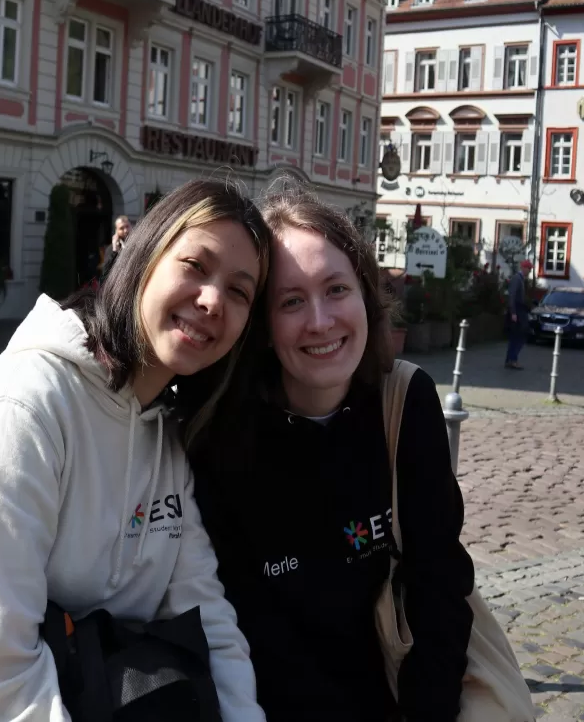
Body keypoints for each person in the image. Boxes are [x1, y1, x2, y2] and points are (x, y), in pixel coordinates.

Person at [0, 179, 270, 722]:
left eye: (239, 291)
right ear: (144, 258)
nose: (213, 300)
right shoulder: (25, 411)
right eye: (194, 264)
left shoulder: (164, 431)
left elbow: (206, 612)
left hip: (104, 683)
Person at [187, 187, 475, 721]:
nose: (319, 322)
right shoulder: (221, 432)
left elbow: (439, 586)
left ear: (365, 296)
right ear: (264, 329)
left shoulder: (405, 403)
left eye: (336, 289)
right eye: (291, 301)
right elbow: (233, 622)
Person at [505, 259, 532, 369]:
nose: (529, 271)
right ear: (524, 268)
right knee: (520, 336)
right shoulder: (517, 279)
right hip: (517, 311)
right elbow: (512, 296)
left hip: (519, 310)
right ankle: (512, 359)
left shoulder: (520, 279)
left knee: (515, 337)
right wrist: (513, 313)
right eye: (529, 269)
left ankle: (510, 360)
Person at [99, 214, 132, 282]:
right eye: (121, 228)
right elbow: (105, 272)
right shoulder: (111, 249)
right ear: (116, 231)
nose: (125, 230)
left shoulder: (137, 244)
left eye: (127, 226)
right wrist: (115, 250)